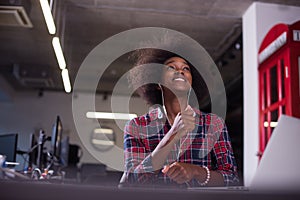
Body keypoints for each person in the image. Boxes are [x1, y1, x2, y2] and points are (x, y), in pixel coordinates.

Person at [119, 48, 239, 188]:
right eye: (171, 67)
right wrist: (172, 134)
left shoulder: (213, 124)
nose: (180, 71)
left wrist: (195, 171)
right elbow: (130, 183)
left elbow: (231, 179)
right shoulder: (137, 126)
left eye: (186, 68)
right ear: (158, 82)